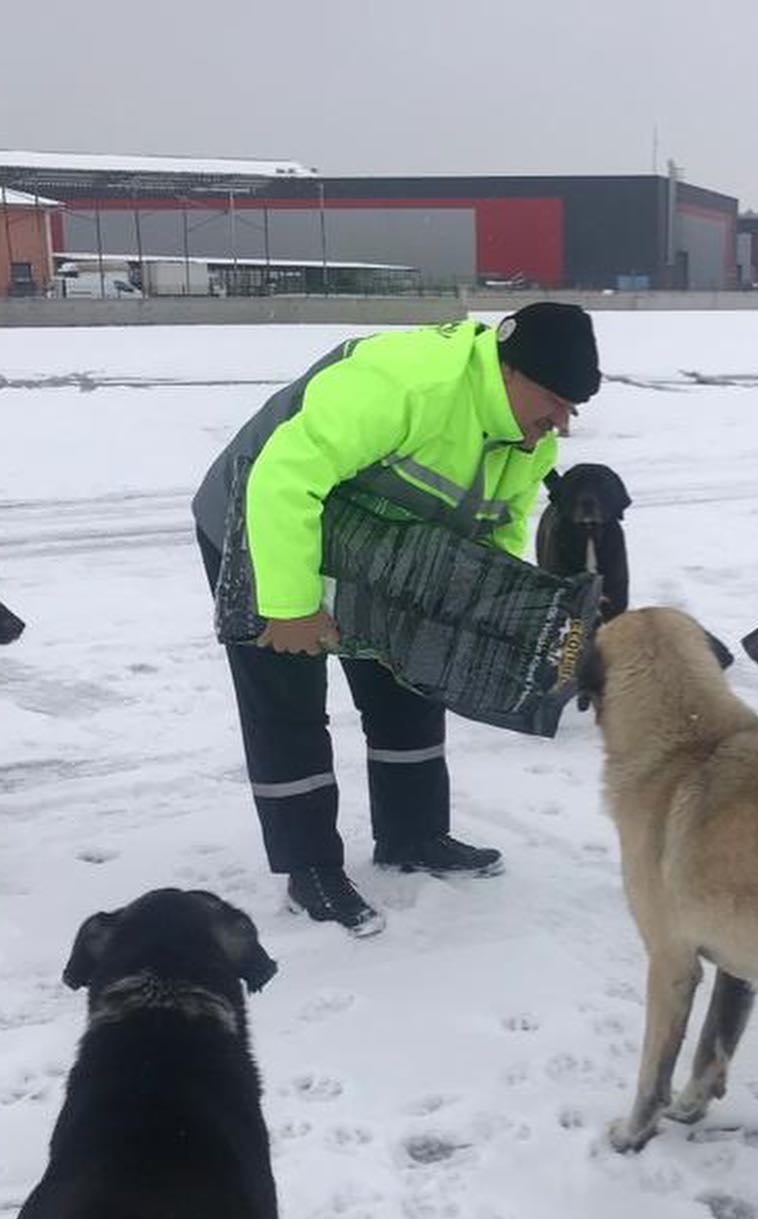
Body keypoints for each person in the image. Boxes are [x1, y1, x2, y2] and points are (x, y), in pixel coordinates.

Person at [193, 302, 602, 936]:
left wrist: (471, 609)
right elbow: (281, 479)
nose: (560, 423)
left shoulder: (530, 440)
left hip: (378, 546)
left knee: (411, 674)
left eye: (571, 410)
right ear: (508, 370)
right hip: (258, 521)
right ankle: (310, 869)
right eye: (553, 400)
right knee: (288, 701)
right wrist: (290, 606)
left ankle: (413, 835)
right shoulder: (409, 384)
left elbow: (500, 527)